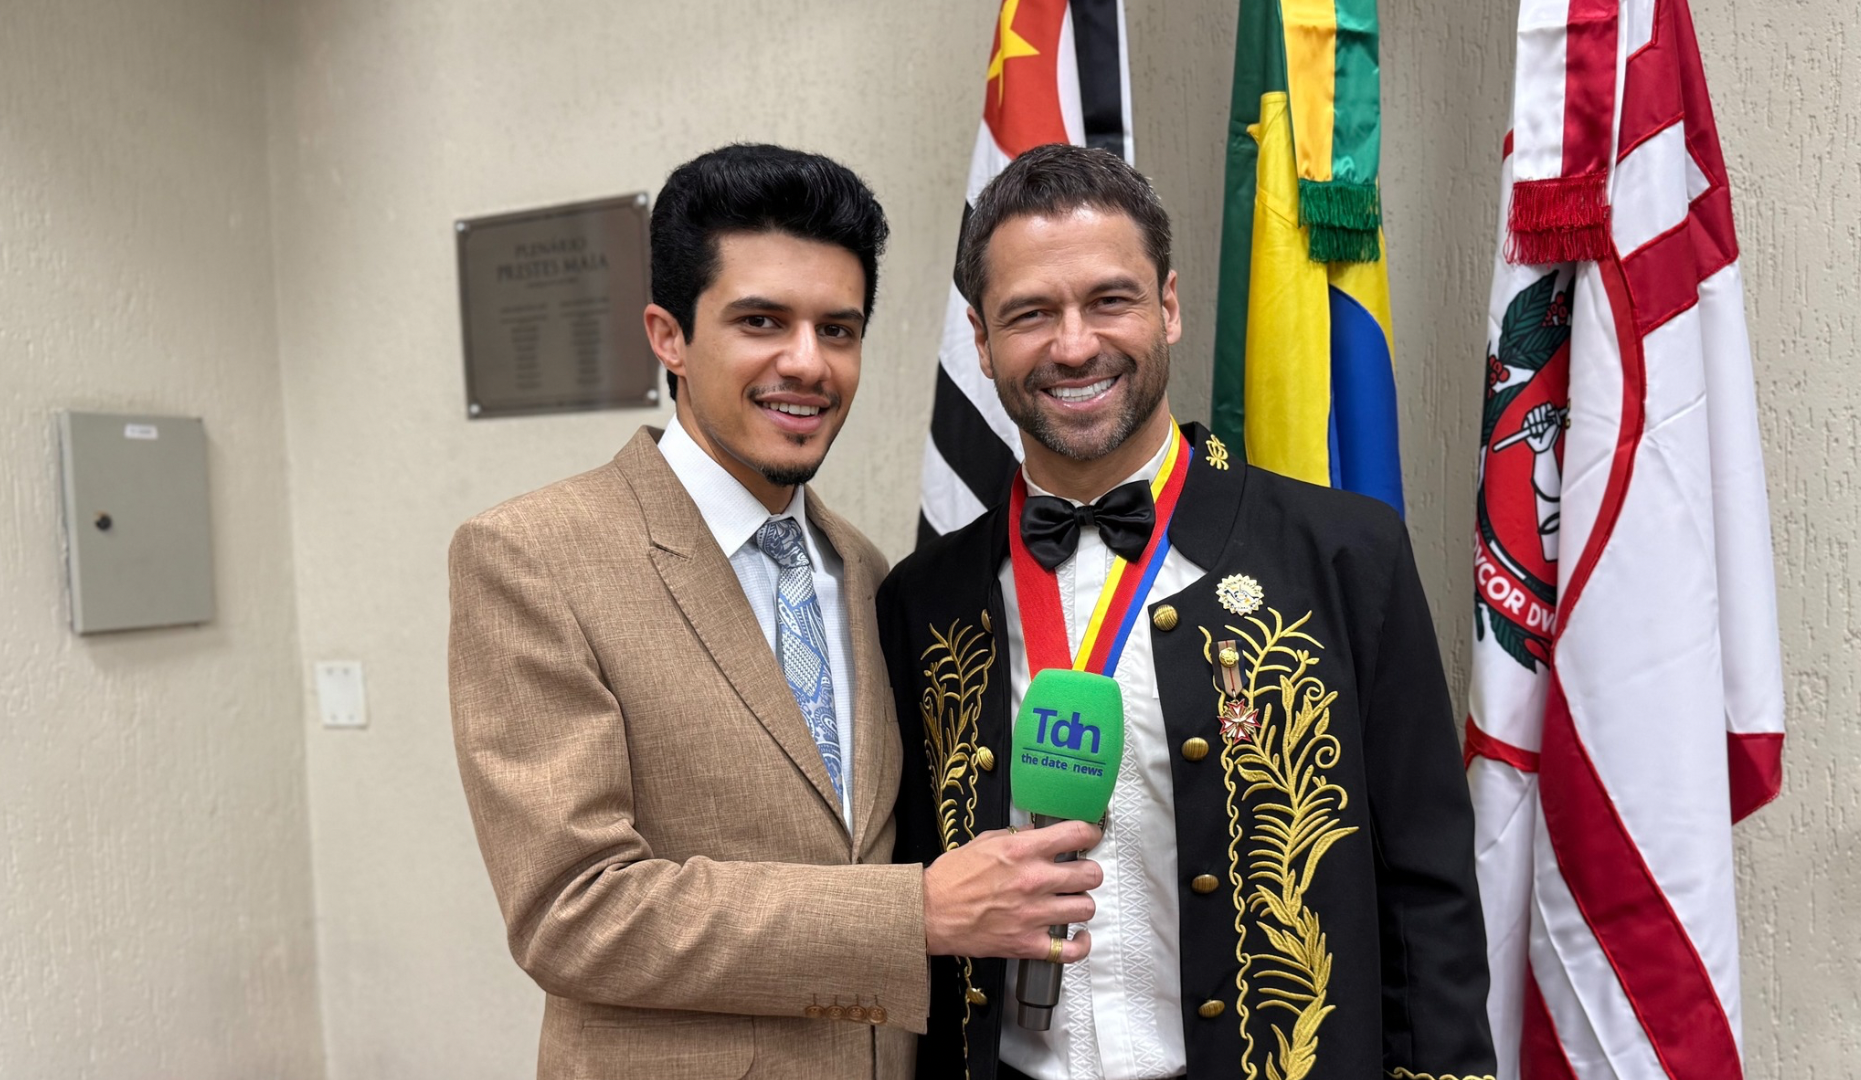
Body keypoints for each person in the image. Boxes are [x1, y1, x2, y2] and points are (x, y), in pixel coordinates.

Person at [449, 143, 1102, 1080]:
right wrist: (914, 913)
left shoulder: (871, 572)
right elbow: (573, 912)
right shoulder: (532, 558)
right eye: (761, 321)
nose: (807, 363)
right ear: (668, 336)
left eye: (838, 329)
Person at [879, 143, 1495, 1080]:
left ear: (1168, 306)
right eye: (1031, 314)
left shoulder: (1345, 558)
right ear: (981, 338)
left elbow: (1429, 900)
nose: (1074, 346)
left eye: (1110, 300)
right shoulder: (924, 601)